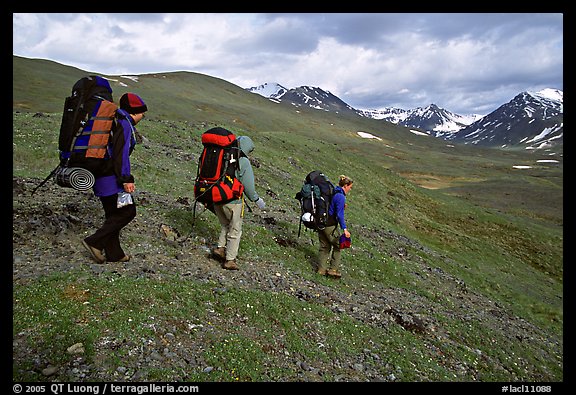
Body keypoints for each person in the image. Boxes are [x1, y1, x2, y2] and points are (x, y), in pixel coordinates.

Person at [81, 93, 148, 264]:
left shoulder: (115, 121)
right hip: (110, 177)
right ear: (134, 112)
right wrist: (126, 178)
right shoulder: (124, 125)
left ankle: (115, 254)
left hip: (100, 174)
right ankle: (94, 242)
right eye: (142, 113)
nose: (143, 117)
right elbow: (121, 155)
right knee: (127, 211)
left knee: (113, 214)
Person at [211, 136, 266, 270]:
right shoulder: (243, 161)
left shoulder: (223, 154)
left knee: (225, 224)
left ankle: (220, 248)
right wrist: (257, 200)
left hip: (216, 196)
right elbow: (248, 186)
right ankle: (230, 260)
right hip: (233, 200)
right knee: (235, 229)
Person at [317, 175, 354, 278]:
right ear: (346, 185)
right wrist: (344, 229)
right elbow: (339, 215)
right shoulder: (340, 196)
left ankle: (321, 269)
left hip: (321, 222)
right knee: (339, 245)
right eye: (350, 187)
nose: (350, 190)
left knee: (325, 246)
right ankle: (333, 269)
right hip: (330, 224)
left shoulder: (333, 191)